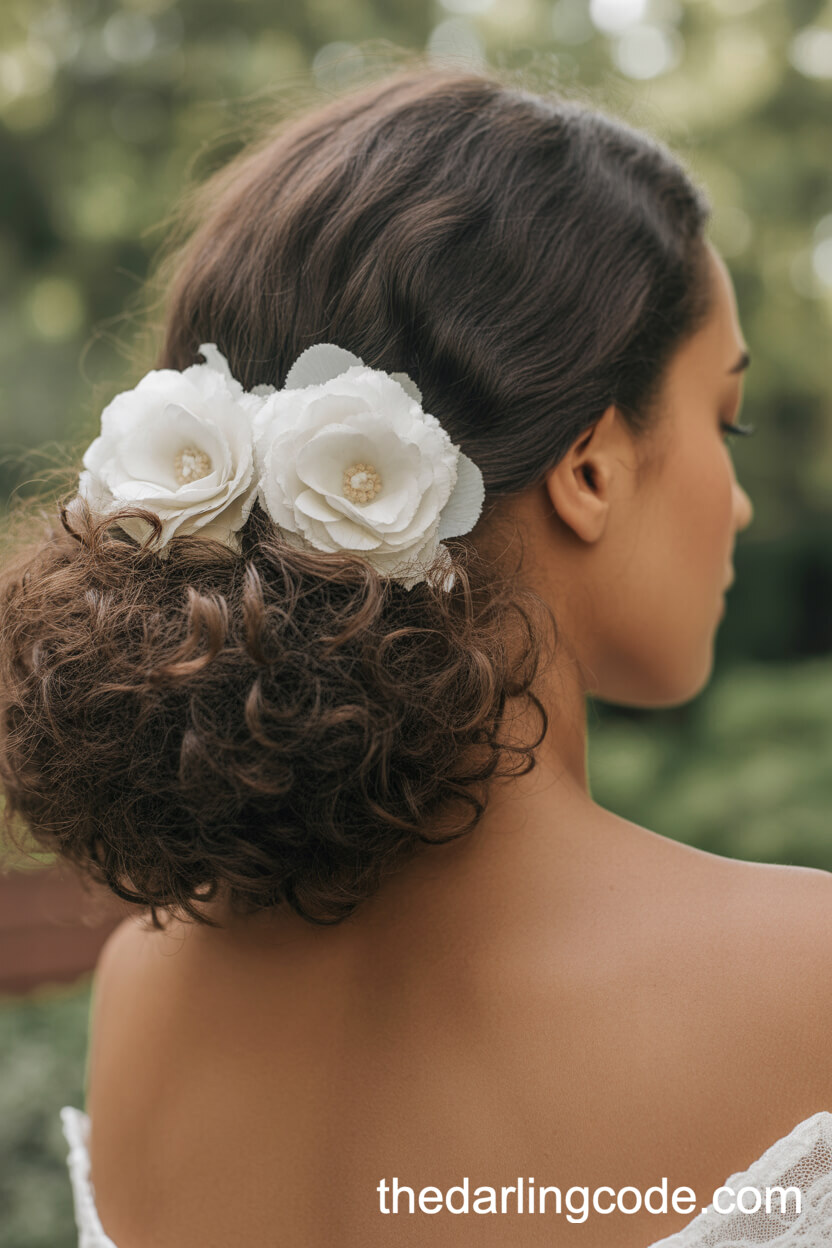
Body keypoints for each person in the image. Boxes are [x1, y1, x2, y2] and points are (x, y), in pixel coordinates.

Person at [2, 63, 832, 1248]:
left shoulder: (146, 991)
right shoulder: (811, 986)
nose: (740, 503)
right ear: (591, 468)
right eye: (724, 417)